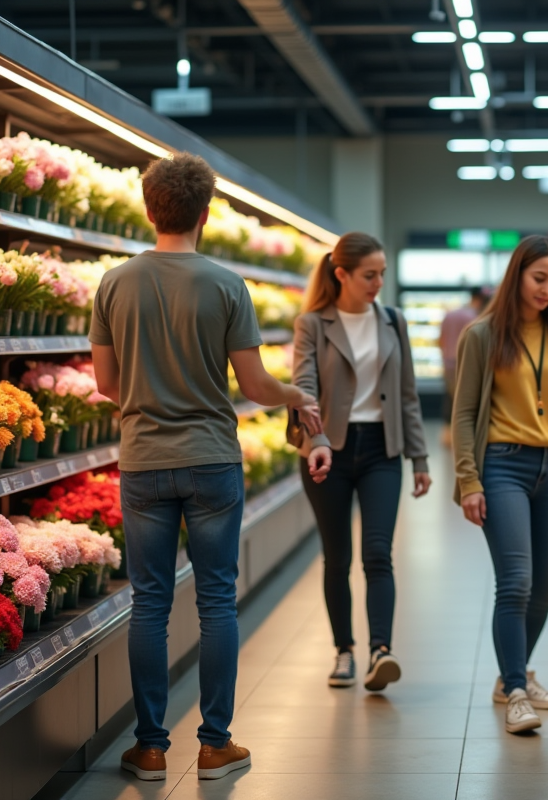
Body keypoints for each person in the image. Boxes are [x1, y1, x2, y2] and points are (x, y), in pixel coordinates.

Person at [91, 152, 322, 783]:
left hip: (144, 460)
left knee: (150, 604)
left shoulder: (115, 283)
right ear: (207, 211)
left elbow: (107, 383)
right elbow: (253, 384)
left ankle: (150, 748)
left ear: (148, 206)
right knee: (217, 601)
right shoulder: (226, 284)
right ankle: (216, 744)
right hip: (213, 460)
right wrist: (297, 395)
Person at [452, 235, 548, 735]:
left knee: (545, 590)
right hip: (502, 467)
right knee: (515, 582)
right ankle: (515, 689)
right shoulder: (483, 335)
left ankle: (513, 674)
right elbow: (466, 413)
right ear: (517, 276)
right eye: (539, 279)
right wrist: (469, 480)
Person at [293, 232, 431, 692]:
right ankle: (344, 651)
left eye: (381, 275)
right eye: (369, 275)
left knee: (378, 553)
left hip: (381, 450)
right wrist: (316, 439)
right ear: (341, 274)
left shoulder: (392, 321)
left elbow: (407, 395)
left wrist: (420, 458)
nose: (377, 283)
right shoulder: (313, 323)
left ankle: (380, 651)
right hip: (327, 450)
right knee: (337, 556)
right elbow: (303, 387)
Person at [439, 288, 488, 445]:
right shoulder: (474, 317)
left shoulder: (450, 315)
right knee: (467, 401)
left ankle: (447, 435)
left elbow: (441, 340)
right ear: (479, 300)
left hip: (449, 363)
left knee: (451, 397)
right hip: (466, 363)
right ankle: (463, 438)